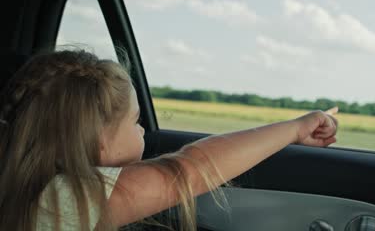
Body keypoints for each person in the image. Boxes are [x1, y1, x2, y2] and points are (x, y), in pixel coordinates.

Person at [0, 49, 338, 231]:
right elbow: (192, 169)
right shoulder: (64, 199)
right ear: (99, 140)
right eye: (136, 121)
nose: (143, 131)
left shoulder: (19, 188)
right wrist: (296, 127)